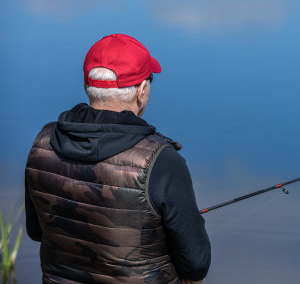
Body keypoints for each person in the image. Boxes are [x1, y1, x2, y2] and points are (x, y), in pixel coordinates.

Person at [25, 34, 211, 284]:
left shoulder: (43, 143)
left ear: (86, 86)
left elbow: (36, 232)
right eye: (149, 80)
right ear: (141, 91)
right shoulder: (162, 162)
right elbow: (196, 264)